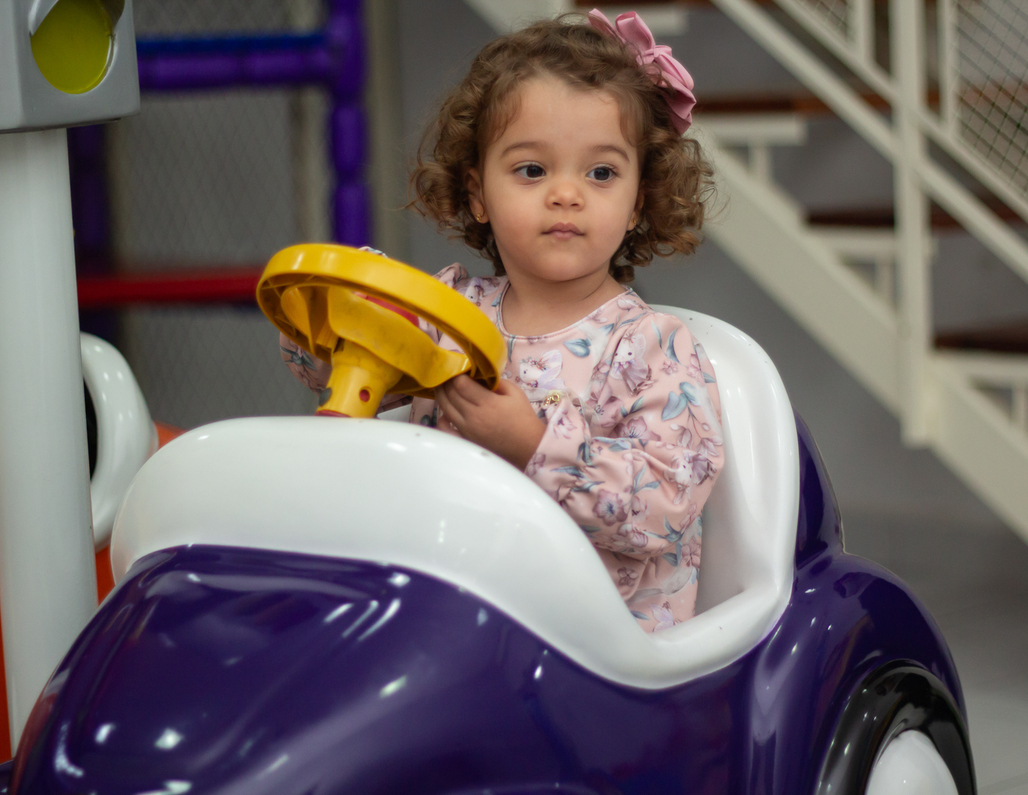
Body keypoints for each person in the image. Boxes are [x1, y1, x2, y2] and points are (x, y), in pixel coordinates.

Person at [282, 10, 724, 633]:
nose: (565, 193)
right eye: (532, 170)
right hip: (442, 606)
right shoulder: (449, 311)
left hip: (591, 644)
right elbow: (331, 368)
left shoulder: (654, 350)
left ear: (636, 204)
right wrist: (337, 314)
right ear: (477, 195)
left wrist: (535, 443)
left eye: (601, 173)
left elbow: (667, 507)